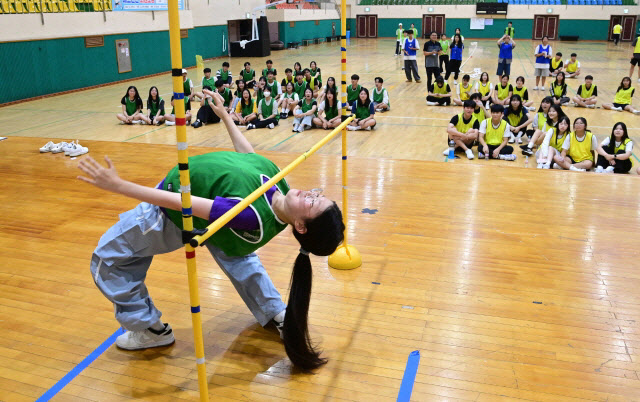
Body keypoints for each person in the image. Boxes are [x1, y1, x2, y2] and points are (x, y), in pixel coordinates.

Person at [78, 92, 344, 371]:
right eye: (317, 194)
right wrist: (226, 117)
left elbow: (183, 204)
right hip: (221, 227)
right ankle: (277, 314)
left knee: (107, 258)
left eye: (313, 203)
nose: (310, 194)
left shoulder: (246, 214)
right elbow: (251, 159)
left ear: (300, 225)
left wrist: (119, 185)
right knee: (240, 257)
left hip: (166, 216)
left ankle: (149, 331)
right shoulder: (281, 189)